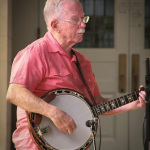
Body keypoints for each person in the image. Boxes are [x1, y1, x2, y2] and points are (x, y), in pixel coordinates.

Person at [6, 0, 146, 149]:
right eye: (75, 19)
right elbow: (15, 93)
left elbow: (95, 103)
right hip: (35, 146)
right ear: (55, 25)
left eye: (83, 18)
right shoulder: (36, 53)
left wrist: (131, 103)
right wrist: (54, 113)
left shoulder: (83, 62)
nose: (83, 24)